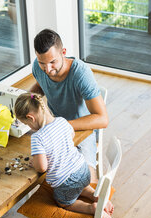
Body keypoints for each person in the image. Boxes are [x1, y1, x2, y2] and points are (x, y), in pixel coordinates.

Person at [14, 92, 114, 218]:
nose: (29, 127)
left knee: (65, 203)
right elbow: (71, 135)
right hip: (84, 171)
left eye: (26, 124)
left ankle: (91, 208)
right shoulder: (62, 121)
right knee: (82, 187)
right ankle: (97, 196)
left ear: (30, 118)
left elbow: (42, 167)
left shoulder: (37, 138)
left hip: (66, 183)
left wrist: (35, 162)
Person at [30, 29, 108, 183]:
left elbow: (102, 119)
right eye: (42, 63)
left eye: (53, 62)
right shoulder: (38, 68)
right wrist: (26, 101)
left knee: (85, 178)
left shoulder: (81, 73)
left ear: (63, 52)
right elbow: (40, 87)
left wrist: (61, 126)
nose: (48, 70)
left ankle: (98, 203)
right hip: (52, 127)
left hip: (82, 129)